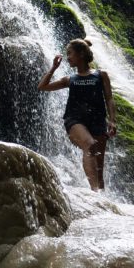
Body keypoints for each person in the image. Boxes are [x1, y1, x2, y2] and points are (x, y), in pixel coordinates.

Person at [37, 38, 117, 191]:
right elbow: (43, 86)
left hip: (97, 120)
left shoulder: (101, 75)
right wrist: (54, 67)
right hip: (74, 120)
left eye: (70, 53)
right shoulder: (69, 79)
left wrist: (112, 120)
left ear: (81, 54)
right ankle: (94, 193)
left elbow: (109, 98)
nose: (68, 57)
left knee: (99, 169)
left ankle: (100, 197)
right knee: (90, 145)